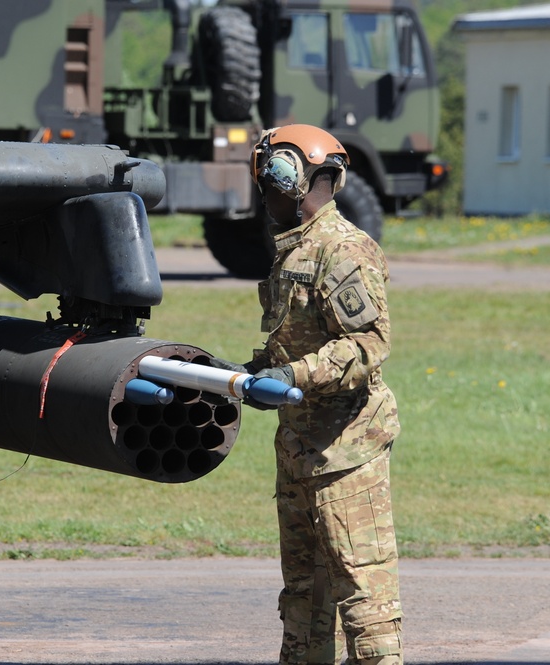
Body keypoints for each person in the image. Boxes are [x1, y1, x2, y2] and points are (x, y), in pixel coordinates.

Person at [211, 124, 403, 665]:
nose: (262, 195)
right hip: (299, 448)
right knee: (303, 601)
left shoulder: (342, 250)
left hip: (346, 453)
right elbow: (297, 339)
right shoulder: (294, 248)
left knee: (364, 602)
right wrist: (246, 372)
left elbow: (368, 345)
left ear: (292, 176)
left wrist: (294, 378)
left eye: (267, 179)